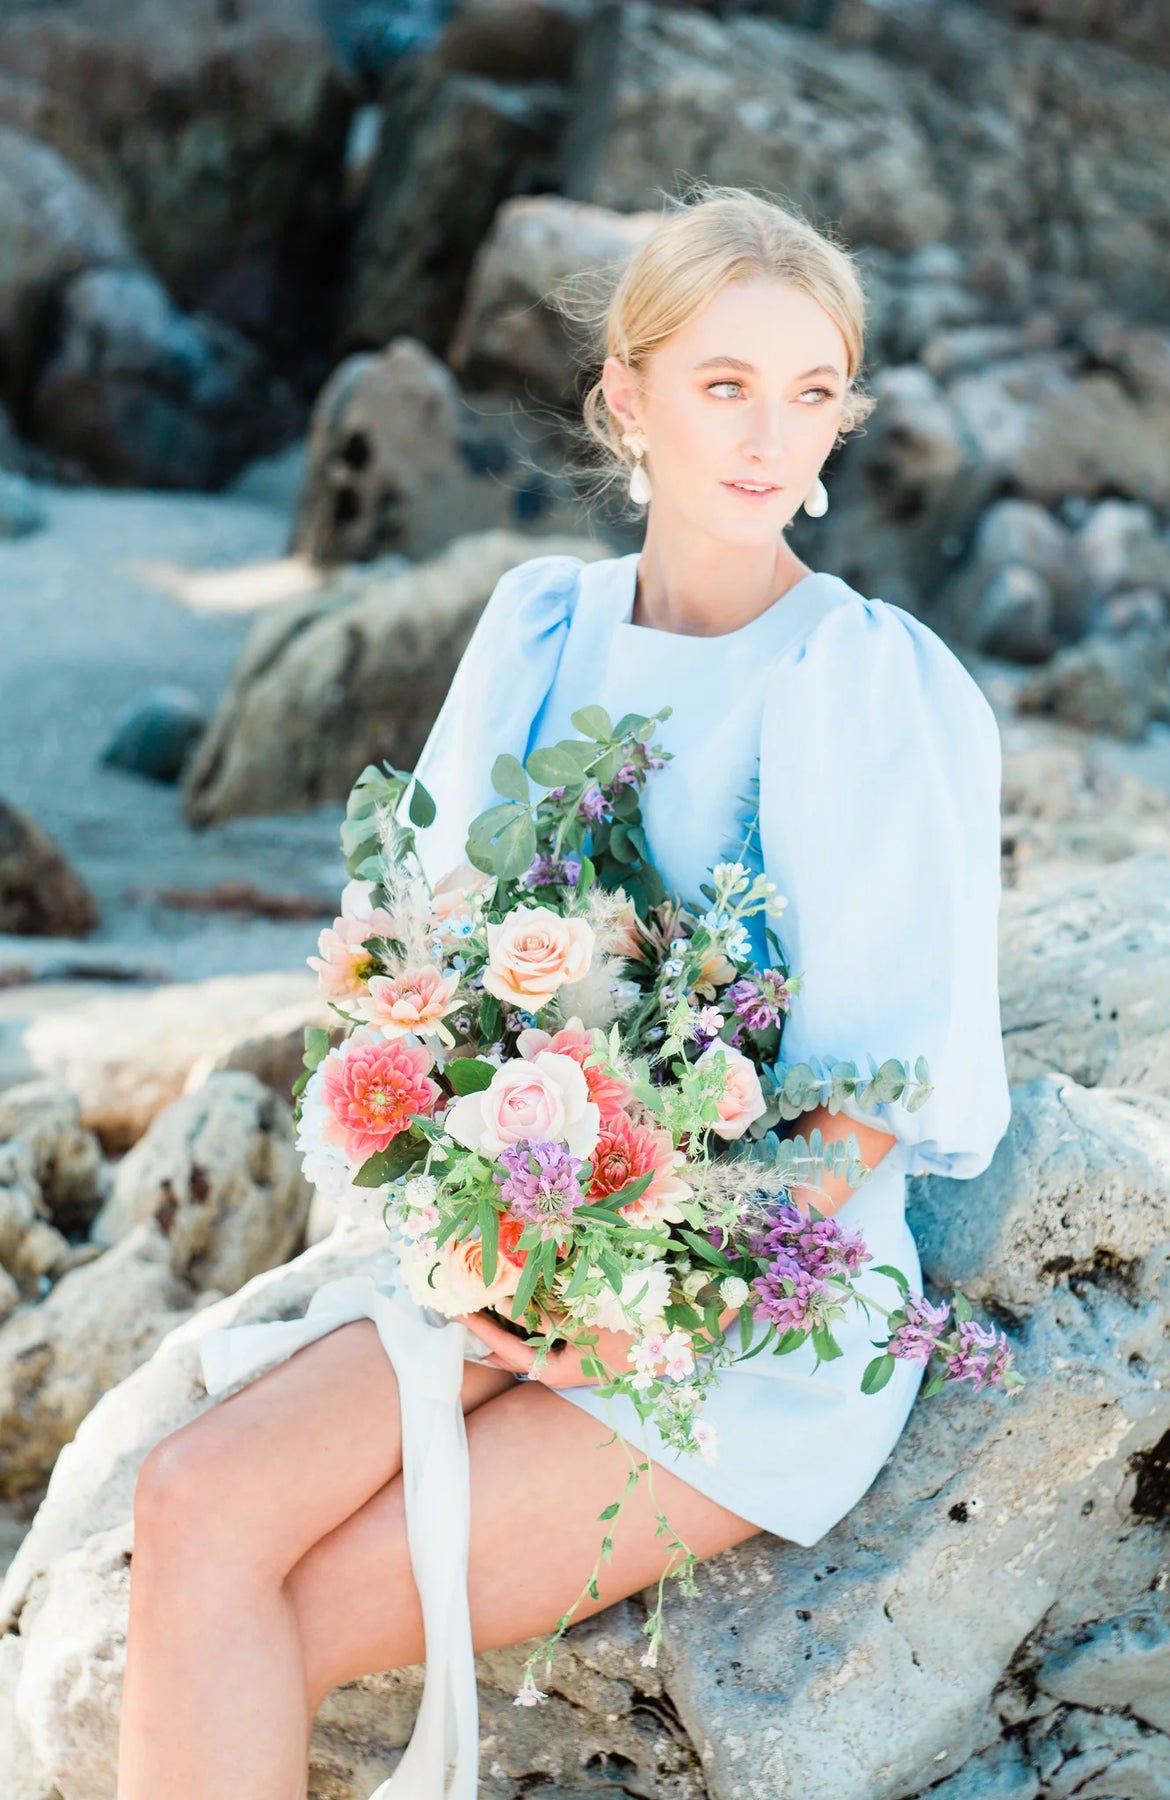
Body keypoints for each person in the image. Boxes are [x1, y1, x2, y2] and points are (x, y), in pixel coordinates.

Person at [116, 181, 1011, 1798]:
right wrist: (480, 1243)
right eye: (724, 384)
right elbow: (421, 966)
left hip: (744, 1317)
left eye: (811, 391)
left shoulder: (859, 678)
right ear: (628, 397)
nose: (770, 436)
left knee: (295, 1606)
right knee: (190, 1506)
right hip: (519, 1241)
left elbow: (869, 1100)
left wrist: (628, 1289)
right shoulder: (542, 628)